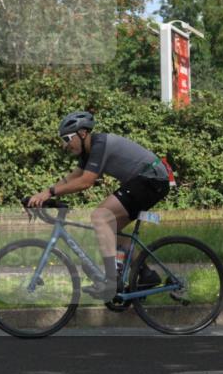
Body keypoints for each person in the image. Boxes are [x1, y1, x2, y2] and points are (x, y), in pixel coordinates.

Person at [27, 111, 171, 299]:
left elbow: (86, 181)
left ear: (83, 133)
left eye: (67, 138)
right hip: (144, 182)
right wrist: (43, 195)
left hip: (151, 179)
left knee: (100, 216)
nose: (64, 145)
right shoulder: (88, 152)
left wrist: (50, 193)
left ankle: (111, 282)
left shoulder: (100, 144)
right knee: (109, 231)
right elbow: (72, 177)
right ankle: (146, 274)